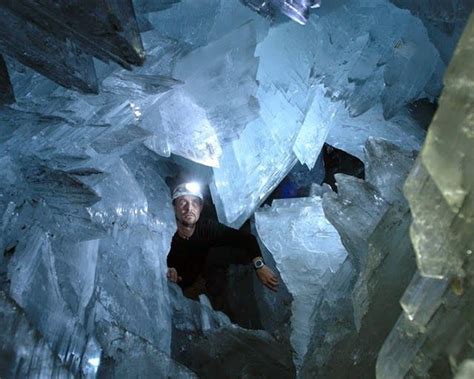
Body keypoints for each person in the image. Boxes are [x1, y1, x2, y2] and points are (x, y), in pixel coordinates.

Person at [166, 181, 279, 312]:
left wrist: (259, 265)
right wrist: (166, 269)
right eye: (182, 202)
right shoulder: (165, 231)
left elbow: (246, 240)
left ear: (200, 208)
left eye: (195, 203)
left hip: (196, 282)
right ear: (173, 207)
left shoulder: (207, 228)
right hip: (169, 289)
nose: (189, 208)